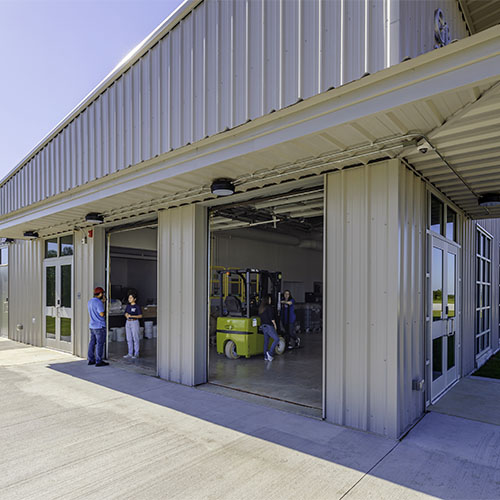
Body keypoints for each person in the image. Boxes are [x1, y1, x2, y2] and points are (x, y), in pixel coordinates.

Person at [87, 286, 108, 367]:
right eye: (102, 293)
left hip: (92, 325)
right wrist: (105, 309)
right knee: (100, 343)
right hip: (99, 326)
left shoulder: (90, 301)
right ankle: (99, 361)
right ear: (101, 294)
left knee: (92, 342)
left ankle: (91, 359)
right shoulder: (98, 302)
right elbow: (101, 313)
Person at [258, 294, 280, 361]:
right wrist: (275, 325)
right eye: (270, 299)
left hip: (263, 326)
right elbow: (271, 317)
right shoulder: (269, 307)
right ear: (267, 300)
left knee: (266, 341)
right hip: (269, 326)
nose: (270, 300)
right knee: (277, 339)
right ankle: (270, 354)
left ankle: (265, 356)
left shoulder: (261, 308)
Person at [124, 291, 143, 360]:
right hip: (128, 322)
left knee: (135, 338)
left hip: (134, 322)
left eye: (131, 298)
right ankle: (130, 353)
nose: (129, 299)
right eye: (129, 297)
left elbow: (140, 316)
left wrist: (132, 316)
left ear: (134, 299)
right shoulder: (128, 306)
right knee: (129, 338)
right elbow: (125, 313)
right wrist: (126, 315)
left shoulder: (137, 307)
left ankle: (136, 353)